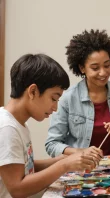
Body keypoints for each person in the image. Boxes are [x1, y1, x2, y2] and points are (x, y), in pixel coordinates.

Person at [0, 54, 101, 198]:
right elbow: (17, 189)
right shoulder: (6, 128)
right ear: (33, 91)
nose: (55, 108)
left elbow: (22, 166)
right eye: (54, 98)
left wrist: (61, 160)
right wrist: (64, 166)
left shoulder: (18, 124)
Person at [46, 29, 110, 157]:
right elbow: (52, 144)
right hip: (80, 170)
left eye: (107, 65)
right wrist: (80, 152)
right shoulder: (68, 98)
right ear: (82, 68)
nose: (103, 72)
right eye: (95, 68)